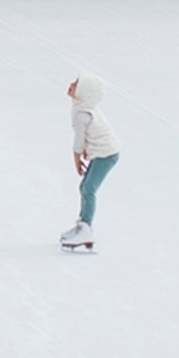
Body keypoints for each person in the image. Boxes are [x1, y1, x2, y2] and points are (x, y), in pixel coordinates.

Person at [62, 74, 119, 251]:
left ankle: (86, 228)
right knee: (85, 187)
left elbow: (78, 141)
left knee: (88, 189)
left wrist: (77, 160)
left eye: (76, 85)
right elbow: (90, 132)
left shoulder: (81, 113)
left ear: (83, 93)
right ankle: (82, 223)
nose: (71, 84)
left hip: (106, 155)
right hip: (102, 152)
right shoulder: (84, 108)